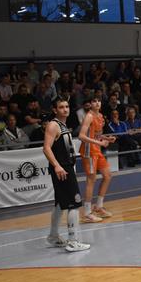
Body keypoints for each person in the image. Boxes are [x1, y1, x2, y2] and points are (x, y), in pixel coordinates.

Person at [43, 98, 90, 252]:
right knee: (74, 203)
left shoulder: (62, 125)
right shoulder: (53, 125)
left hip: (66, 167)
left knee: (59, 204)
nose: (65, 109)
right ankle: (73, 241)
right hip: (62, 169)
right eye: (61, 107)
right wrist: (57, 166)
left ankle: (53, 236)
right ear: (54, 110)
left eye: (67, 106)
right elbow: (46, 148)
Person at [78, 97, 116, 223]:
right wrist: (100, 143)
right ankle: (87, 213)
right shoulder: (89, 116)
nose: (97, 103)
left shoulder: (100, 116)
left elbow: (96, 135)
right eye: (94, 101)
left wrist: (107, 138)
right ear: (90, 104)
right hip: (88, 151)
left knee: (107, 175)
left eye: (98, 101)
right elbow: (81, 136)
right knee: (91, 180)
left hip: (97, 150)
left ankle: (98, 206)